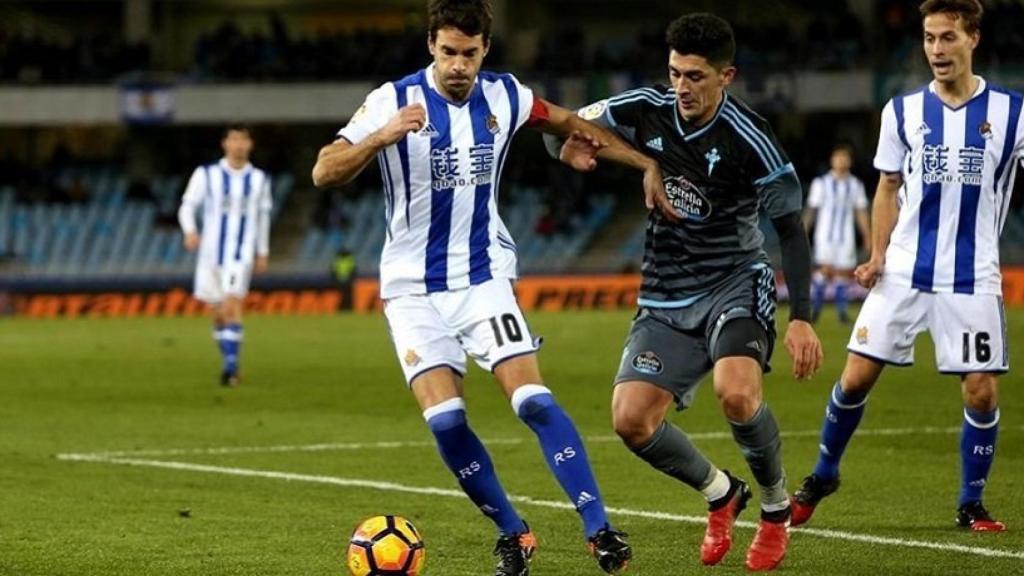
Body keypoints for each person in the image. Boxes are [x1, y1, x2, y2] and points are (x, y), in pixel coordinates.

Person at [311, 1, 676, 574]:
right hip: (411, 289)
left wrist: (643, 166)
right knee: (447, 420)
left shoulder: (507, 95)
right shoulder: (391, 100)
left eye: (470, 54)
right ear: (431, 44)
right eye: (449, 52)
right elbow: (324, 169)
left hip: (483, 277)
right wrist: (381, 136)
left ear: (486, 50)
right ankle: (513, 532)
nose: (459, 65)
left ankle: (599, 528)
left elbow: (570, 124)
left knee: (532, 400)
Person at [549, 13, 823, 572]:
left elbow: (792, 232)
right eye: (675, 73)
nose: (682, 87)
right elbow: (572, 125)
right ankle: (722, 493)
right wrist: (572, 149)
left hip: (735, 283)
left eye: (695, 76)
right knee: (630, 420)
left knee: (737, 394)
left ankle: (774, 509)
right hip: (666, 292)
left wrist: (802, 317)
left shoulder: (754, 140)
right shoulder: (646, 105)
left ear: (727, 75)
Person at [791, 0, 1017, 533]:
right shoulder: (903, 111)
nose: (936, 49)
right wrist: (876, 255)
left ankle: (971, 503)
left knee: (981, 388)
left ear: (973, 40)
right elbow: (888, 185)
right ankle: (823, 475)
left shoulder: (1013, 113)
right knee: (854, 379)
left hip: (972, 275)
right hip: (904, 270)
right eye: (929, 38)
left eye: (947, 38)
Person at [178, 125, 272, 387]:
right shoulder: (206, 174)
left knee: (232, 305)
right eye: (234, 139)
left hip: (240, 254)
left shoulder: (259, 180)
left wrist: (262, 252)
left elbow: (263, 217)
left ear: (250, 144)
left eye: (243, 139)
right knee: (218, 314)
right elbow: (187, 206)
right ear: (225, 144)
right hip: (209, 255)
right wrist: (190, 231)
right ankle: (231, 361)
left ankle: (230, 370)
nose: (239, 144)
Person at [803, 143, 871, 323]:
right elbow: (812, 210)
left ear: (850, 161)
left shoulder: (855, 185)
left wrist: (867, 235)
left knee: (843, 274)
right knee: (824, 271)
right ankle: (815, 311)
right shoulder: (821, 183)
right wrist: (803, 230)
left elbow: (861, 211)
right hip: (825, 235)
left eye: (845, 158)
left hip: (846, 237)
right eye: (838, 157)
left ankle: (842, 314)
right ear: (832, 161)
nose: (841, 161)